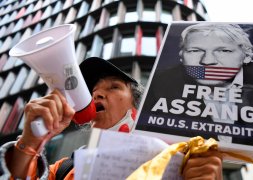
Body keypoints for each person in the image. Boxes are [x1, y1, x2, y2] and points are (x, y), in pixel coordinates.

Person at [0, 57, 223, 179]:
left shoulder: (183, 156)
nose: (96, 93)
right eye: (93, 91)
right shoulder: (64, 169)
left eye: (114, 87)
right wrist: (30, 143)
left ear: (137, 105)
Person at [137, 23, 253, 149]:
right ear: (181, 56)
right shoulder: (159, 85)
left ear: (247, 55)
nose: (208, 61)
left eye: (223, 50)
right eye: (195, 50)